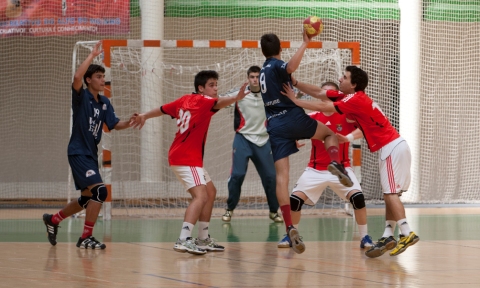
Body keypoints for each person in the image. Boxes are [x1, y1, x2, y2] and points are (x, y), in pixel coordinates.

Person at [281, 65, 420, 258]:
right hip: (393, 146)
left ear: (353, 84)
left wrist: (295, 101)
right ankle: (388, 234)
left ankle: (407, 232)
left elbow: (324, 105)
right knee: (390, 193)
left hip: (391, 146)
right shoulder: (351, 97)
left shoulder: (354, 100)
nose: (340, 79)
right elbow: (320, 93)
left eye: (344, 77)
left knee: (390, 195)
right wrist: (295, 83)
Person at [130, 70, 249, 255]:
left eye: (216, 84)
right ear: (200, 88)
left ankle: (202, 238)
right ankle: (183, 239)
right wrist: (237, 97)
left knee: (210, 192)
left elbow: (162, 109)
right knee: (200, 196)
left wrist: (145, 115)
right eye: (211, 85)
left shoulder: (184, 100)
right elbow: (219, 102)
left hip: (182, 156)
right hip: (187, 158)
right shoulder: (205, 101)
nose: (216, 88)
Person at [259, 32, 353, 254]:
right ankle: (335, 163)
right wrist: (305, 42)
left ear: (262, 50)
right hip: (291, 117)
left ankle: (290, 226)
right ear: (280, 48)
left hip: (274, 125)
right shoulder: (276, 65)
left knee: (282, 178)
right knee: (329, 134)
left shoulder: (262, 70)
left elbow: (290, 76)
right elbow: (290, 67)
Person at [42, 41, 135, 249]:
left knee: (87, 198)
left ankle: (54, 219)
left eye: (104, 77)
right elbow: (76, 78)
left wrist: (129, 122)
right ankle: (85, 237)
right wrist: (92, 55)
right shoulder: (81, 97)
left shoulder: (105, 103)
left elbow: (114, 124)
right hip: (78, 152)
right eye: (99, 77)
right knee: (100, 192)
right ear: (89, 80)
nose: (103, 80)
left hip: (90, 155)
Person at [277, 82, 373, 249]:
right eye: (325, 94)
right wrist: (293, 141)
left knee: (358, 198)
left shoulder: (347, 116)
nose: (328, 97)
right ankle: (291, 235)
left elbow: (365, 128)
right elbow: (291, 131)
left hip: (341, 169)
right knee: (294, 201)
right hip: (315, 169)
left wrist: (349, 137)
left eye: (332, 94)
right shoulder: (312, 117)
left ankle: (365, 238)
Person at [222, 65, 282, 223]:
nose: (255, 80)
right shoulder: (238, 95)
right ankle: (229, 209)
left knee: (270, 177)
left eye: (257, 77)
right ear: (248, 78)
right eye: (252, 77)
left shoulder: (270, 94)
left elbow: (292, 97)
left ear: (261, 78)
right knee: (237, 175)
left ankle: (273, 211)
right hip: (243, 138)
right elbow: (218, 102)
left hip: (264, 139)